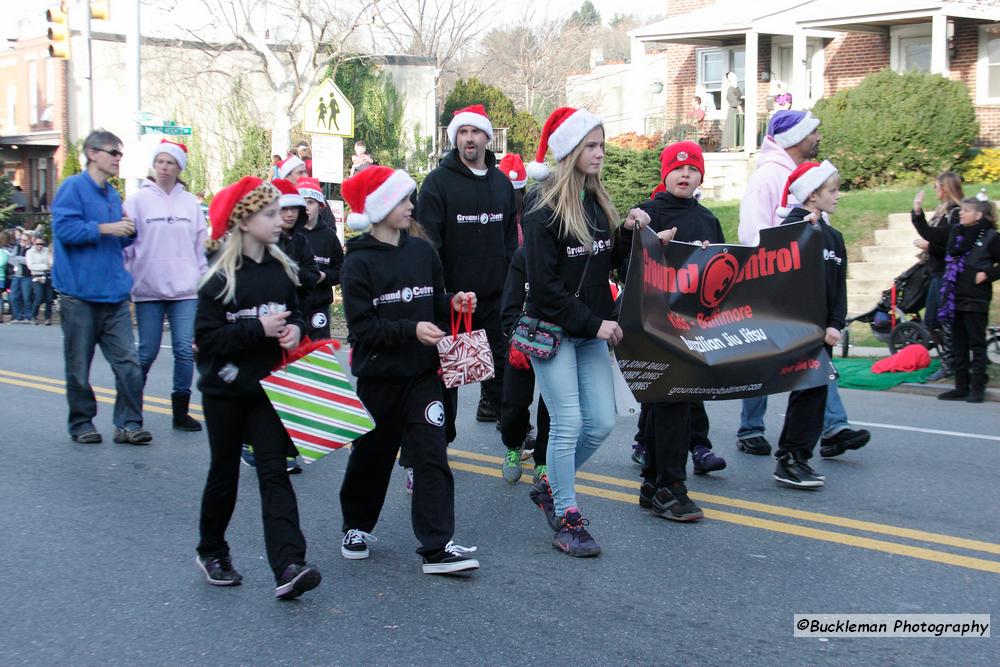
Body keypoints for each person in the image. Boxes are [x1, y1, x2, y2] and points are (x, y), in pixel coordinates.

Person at [338, 165, 481, 575]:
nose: (410, 206)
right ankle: (356, 526)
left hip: (423, 376)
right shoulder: (358, 264)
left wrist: (453, 302)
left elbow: (433, 298)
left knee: (431, 456)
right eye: (402, 199)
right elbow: (363, 327)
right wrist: (410, 330)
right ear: (380, 207)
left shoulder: (421, 251)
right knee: (372, 456)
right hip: (380, 378)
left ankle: (438, 547)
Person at [522, 106, 651, 556]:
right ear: (570, 150)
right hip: (552, 329)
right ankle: (568, 516)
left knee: (600, 423)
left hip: (591, 330)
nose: (600, 153)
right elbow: (545, 288)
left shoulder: (598, 201)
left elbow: (608, 262)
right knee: (568, 422)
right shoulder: (540, 207)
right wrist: (596, 324)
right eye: (591, 146)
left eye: (601, 145)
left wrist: (634, 234)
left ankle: (553, 488)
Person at [194, 175, 322, 599]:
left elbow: (299, 316)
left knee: (274, 473)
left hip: (269, 388)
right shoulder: (219, 277)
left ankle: (289, 564)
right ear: (245, 221)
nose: (279, 220)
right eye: (269, 214)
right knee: (224, 473)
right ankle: (212, 549)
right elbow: (207, 341)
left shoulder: (282, 269)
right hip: (225, 391)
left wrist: (293, 333)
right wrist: (257, 329)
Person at [735, 110, 869, 460]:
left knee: (813, 355)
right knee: (761, 359)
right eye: (813, 133)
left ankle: (833, 426)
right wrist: (764, 270)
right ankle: (751, 428)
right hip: (768, 281)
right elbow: (752, 228)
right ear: (796, 138)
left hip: (803, 288)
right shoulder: (767, 176)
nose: (818, 138)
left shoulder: (809, 178)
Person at [417, 104, 517, 434]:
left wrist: (511, 290)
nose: (469, 138)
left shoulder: (502, 184)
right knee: (449, 378)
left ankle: (514, 435)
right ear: (454, 138)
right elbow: (428, 246)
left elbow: (509, 244)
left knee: (501, 372)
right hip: (453, 302)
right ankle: (436, 444)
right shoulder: (437, 183)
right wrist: (442, 295)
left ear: (488, 137)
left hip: (492, 300)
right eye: (462, 132)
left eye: (475, 132)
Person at [51, 129, 150, 446]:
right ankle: (81, 423)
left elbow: (119, 240)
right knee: (79, 368)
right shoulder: (73, 188)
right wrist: (108, 228)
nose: (119, 158)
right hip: (79, 296)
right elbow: (65, 230)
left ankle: (128, 423)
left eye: (120, 153)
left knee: (130, 366)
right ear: (92, 153)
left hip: (114, 295)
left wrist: (129, 231)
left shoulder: (111, 194)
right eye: (114, 152)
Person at [769, 160, 847, 488]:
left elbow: (838, 286)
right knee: (808, 391)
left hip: (821, 330)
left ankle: (795, 456)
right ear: (812, 195)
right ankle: (790, 457)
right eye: (832, 190)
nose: (838, 196)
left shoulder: (834, 237)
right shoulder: (791, 230)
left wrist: (835, 323)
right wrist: (802, 227)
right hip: (794, 327)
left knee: (813, 393)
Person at [123, 139, 207, 431]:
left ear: (178, 167)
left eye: (170, 162)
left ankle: (180, 411)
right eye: (159, 162)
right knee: (146, 352)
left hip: (186, 289)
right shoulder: (136, 201)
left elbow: (200, 246)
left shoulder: (190, 204)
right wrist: (126, 277)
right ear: (153, 165)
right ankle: (130, 413)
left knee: (184, 350)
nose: (164, 167)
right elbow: (126, 245)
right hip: (148, 289)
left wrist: (203, 279)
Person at [912, 197, 1000, 404]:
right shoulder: (955, 231)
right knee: (958, 342)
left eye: (966, 211)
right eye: (961, 210)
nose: (961, 214)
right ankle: (961, 386)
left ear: (978, 215)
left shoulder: (991, 237)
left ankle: (977, 387)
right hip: (954, 296)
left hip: (976, 298)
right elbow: (930, 234)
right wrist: (917, 213)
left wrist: (987, 274)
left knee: (976, 344)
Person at [498, 245, 550, 483]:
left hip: (555, 340)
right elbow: (509, 306)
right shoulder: (523, 255)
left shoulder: (563, 251)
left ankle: (543, 462)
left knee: (551, 407)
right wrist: (515, 339)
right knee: (514, 404)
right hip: (523, 338)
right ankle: (513, 446)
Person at [911, 172, 964, 382]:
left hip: (946, 273)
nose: (935, 190)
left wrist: (929, 246)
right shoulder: (944, 211)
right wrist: (917, 211)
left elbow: (951, 246)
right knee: (932, 320)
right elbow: (931, 234)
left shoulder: (956, 212)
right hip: (935, 271)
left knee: (939, 319)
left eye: (936, 186)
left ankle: (951, 361)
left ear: (945, 187)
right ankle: (950, 359)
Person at [297, 176, 343, 338]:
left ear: (320, 205)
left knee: (319, 355)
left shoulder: (329, 236)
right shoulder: (290, 235)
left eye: (310, 202)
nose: (306, 207)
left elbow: (341, 270)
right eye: (302, 202)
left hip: (319, 306)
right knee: (293, 356)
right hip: (294, 306)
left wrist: (324, 276)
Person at [26, 235, 53, 324]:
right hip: (36, 276)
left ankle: (47, 318)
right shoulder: (30, 252)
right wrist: (45, 266)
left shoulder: (46, 251)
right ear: (34, 243)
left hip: (47, 276)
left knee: (49, 298)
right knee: (39, 297)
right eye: (37, 244)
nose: (39, 246)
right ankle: (33, 316)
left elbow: (51, 263)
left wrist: (46, 267)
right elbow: (31, 266)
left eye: (41, 244)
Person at [8, 231, 33, 324]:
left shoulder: (31, 249)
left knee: (26, 297)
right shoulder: (17, 247)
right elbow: (10, 259)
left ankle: (28, 317)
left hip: (26, 276)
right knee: (13, 297)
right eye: (21, 239)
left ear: (29, 240)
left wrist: (18, 259)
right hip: (16, 275)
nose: (22, 241)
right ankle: (18, 316)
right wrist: (20, 259)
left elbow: (29, 261)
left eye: (24, 240)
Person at [722, 72, 743, 151]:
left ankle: (737, 145)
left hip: (737, 109)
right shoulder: (730, 89)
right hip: (734, 110)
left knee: (737, 127)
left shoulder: (736, 88)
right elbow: (733, 99)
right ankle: (727, 146)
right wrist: (740, 109)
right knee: (731, 127)